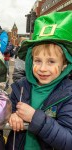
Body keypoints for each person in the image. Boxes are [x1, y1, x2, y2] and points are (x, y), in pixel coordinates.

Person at [6, 11, 72, 150]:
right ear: (30, 61)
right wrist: (11, 116)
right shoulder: (20, 88)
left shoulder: (68, 94)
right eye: (38, 61)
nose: (42, 68)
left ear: (64, 65)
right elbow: (5, 112)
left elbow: (68, 140)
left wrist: (34, 118)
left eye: (51, 62)